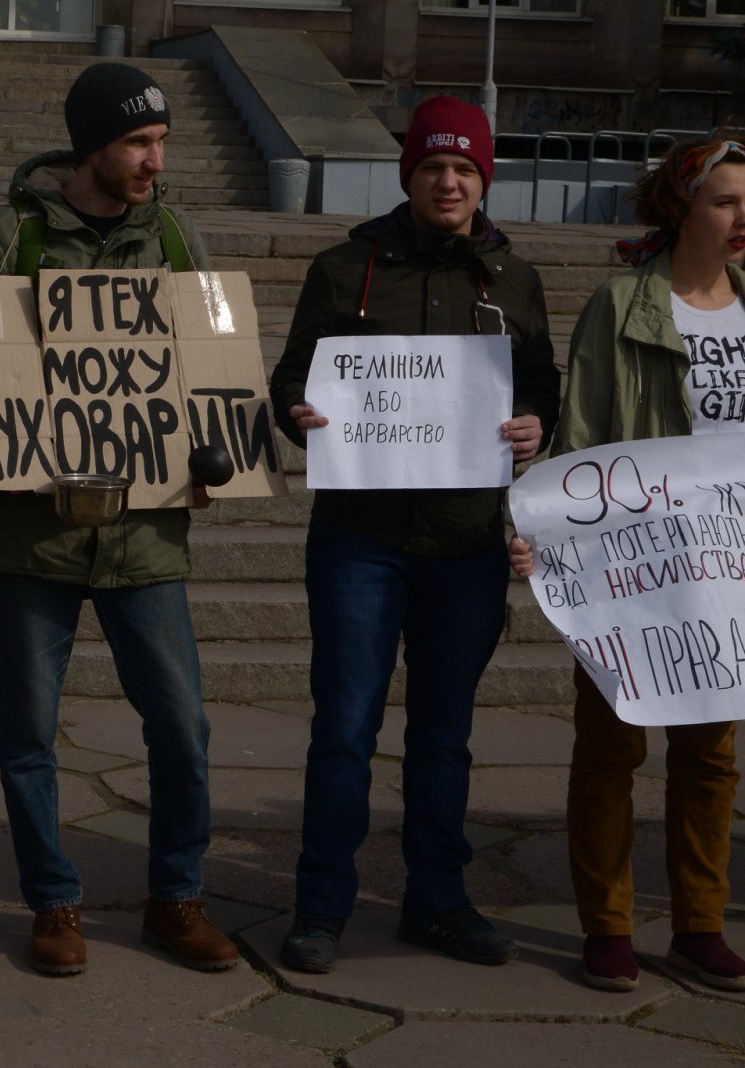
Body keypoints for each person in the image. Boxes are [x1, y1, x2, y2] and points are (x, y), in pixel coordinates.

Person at [0, 63, 238, 978]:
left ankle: (177, 898)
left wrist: (216, 452)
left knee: (183, 727)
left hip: (147, 536)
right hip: (34, 538)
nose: (155, 161)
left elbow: (215, 362)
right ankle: (53, 903)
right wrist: (3, 451)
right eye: (138, 143)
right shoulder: (6, 235)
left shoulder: (175, 237)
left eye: (162, 142)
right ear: (92, 146)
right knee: (30, 734)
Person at [268, 95, 559, 975]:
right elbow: (291, 379)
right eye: (434, 165)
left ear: (484, 180)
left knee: (443, 735)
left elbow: (541, 385)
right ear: (409, 174)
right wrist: (300, 412)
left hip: (466, 546)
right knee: (344, 729)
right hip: (360, 540)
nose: (449, 182)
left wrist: (534, 425)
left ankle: (438, 902)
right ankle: (321, 908)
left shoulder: (514, 280)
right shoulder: (343, 267)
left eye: (465, 168)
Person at [511, 137, 745, 993]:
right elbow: (582, 439)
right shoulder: (623, 305)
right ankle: (607, 925)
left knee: (712, 756)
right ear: (682, 208)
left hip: (728, 572)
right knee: (612, 749)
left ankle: (700, 926)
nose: (742, 217)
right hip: (636, 568)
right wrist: (549, 534)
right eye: (725, 201)